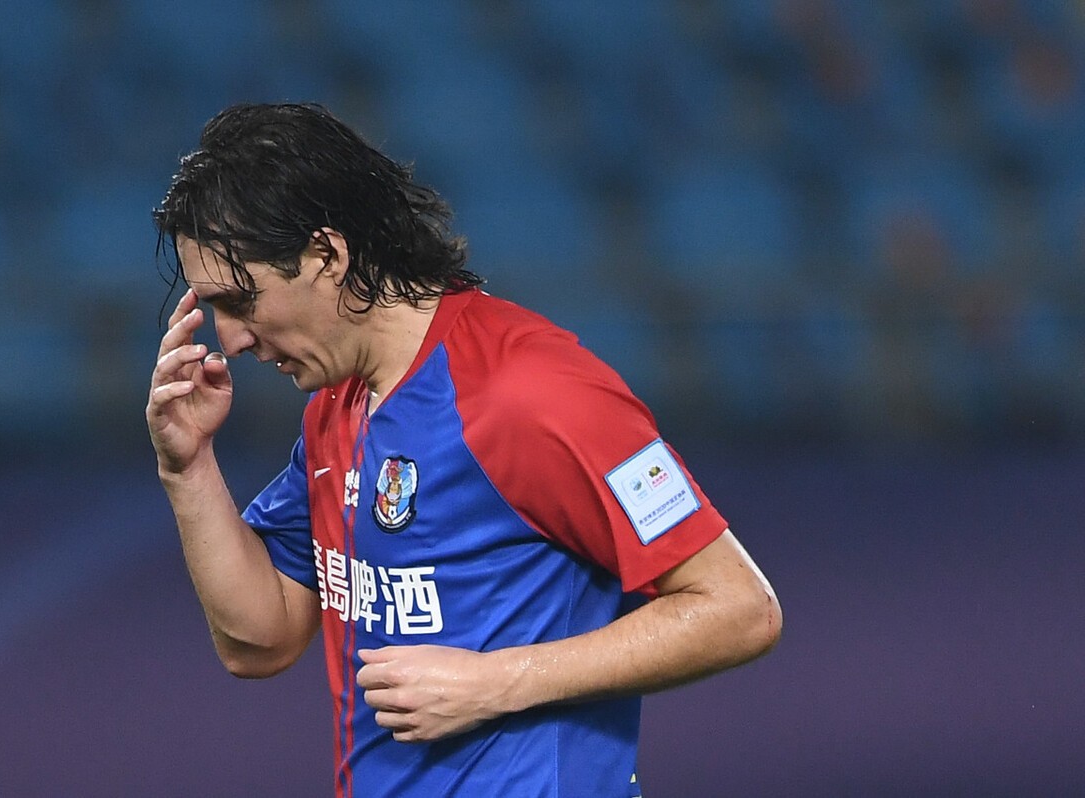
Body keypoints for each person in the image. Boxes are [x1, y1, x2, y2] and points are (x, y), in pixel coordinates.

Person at [147, 103, 782, 798]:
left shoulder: (532, 392)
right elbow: (259, 640)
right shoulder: (337, 407)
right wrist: (188, 468)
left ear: (327, 255)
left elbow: (738, 608)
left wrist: (497, 682)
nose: (231, 340)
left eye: (241, 301)